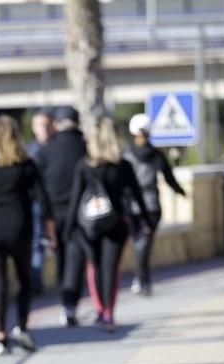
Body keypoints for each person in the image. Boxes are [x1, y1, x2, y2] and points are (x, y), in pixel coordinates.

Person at [0, 115, 54, 355]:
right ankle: (22, 326)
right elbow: (43, 199)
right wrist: (51, 230)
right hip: (21, 228)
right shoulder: (26, 164)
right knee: (24, 279)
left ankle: (0, 336)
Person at [64, 117, 148, 332]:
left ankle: (99, 309)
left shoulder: (84, 166)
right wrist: (145, 221)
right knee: (111, 269)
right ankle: (109, 314)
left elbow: (75, 199)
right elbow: (137, 195)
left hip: (89, 227)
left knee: (95, 267)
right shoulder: (123, 166)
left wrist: (68, 229)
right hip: (116, 223)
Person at [124, 113, 187, 296]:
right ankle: (143, 280)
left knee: (138, 242)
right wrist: (180, 192)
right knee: (144, 243)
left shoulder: (126, 154)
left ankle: (140, 279)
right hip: (150, 205)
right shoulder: (156, 155)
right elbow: (168, 178)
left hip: (131, 205)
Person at [36, 106, 87, 326]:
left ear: (57, 124)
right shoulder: (85, 148)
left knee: (60, 258)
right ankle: (72, 305)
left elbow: (38, 189)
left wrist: (45, 217)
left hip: (53, 215)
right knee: (76, 259)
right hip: (81, 213)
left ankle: (65, 304)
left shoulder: (46, 151)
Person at [26, 108, 56, 295]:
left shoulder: (56, 147)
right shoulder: (30, 150)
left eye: (46, 125)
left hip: (56, 201)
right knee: (36, 242)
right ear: (33, 128)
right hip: (36, 202)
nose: (44, 129)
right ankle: (36, 284)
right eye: (40, 125)